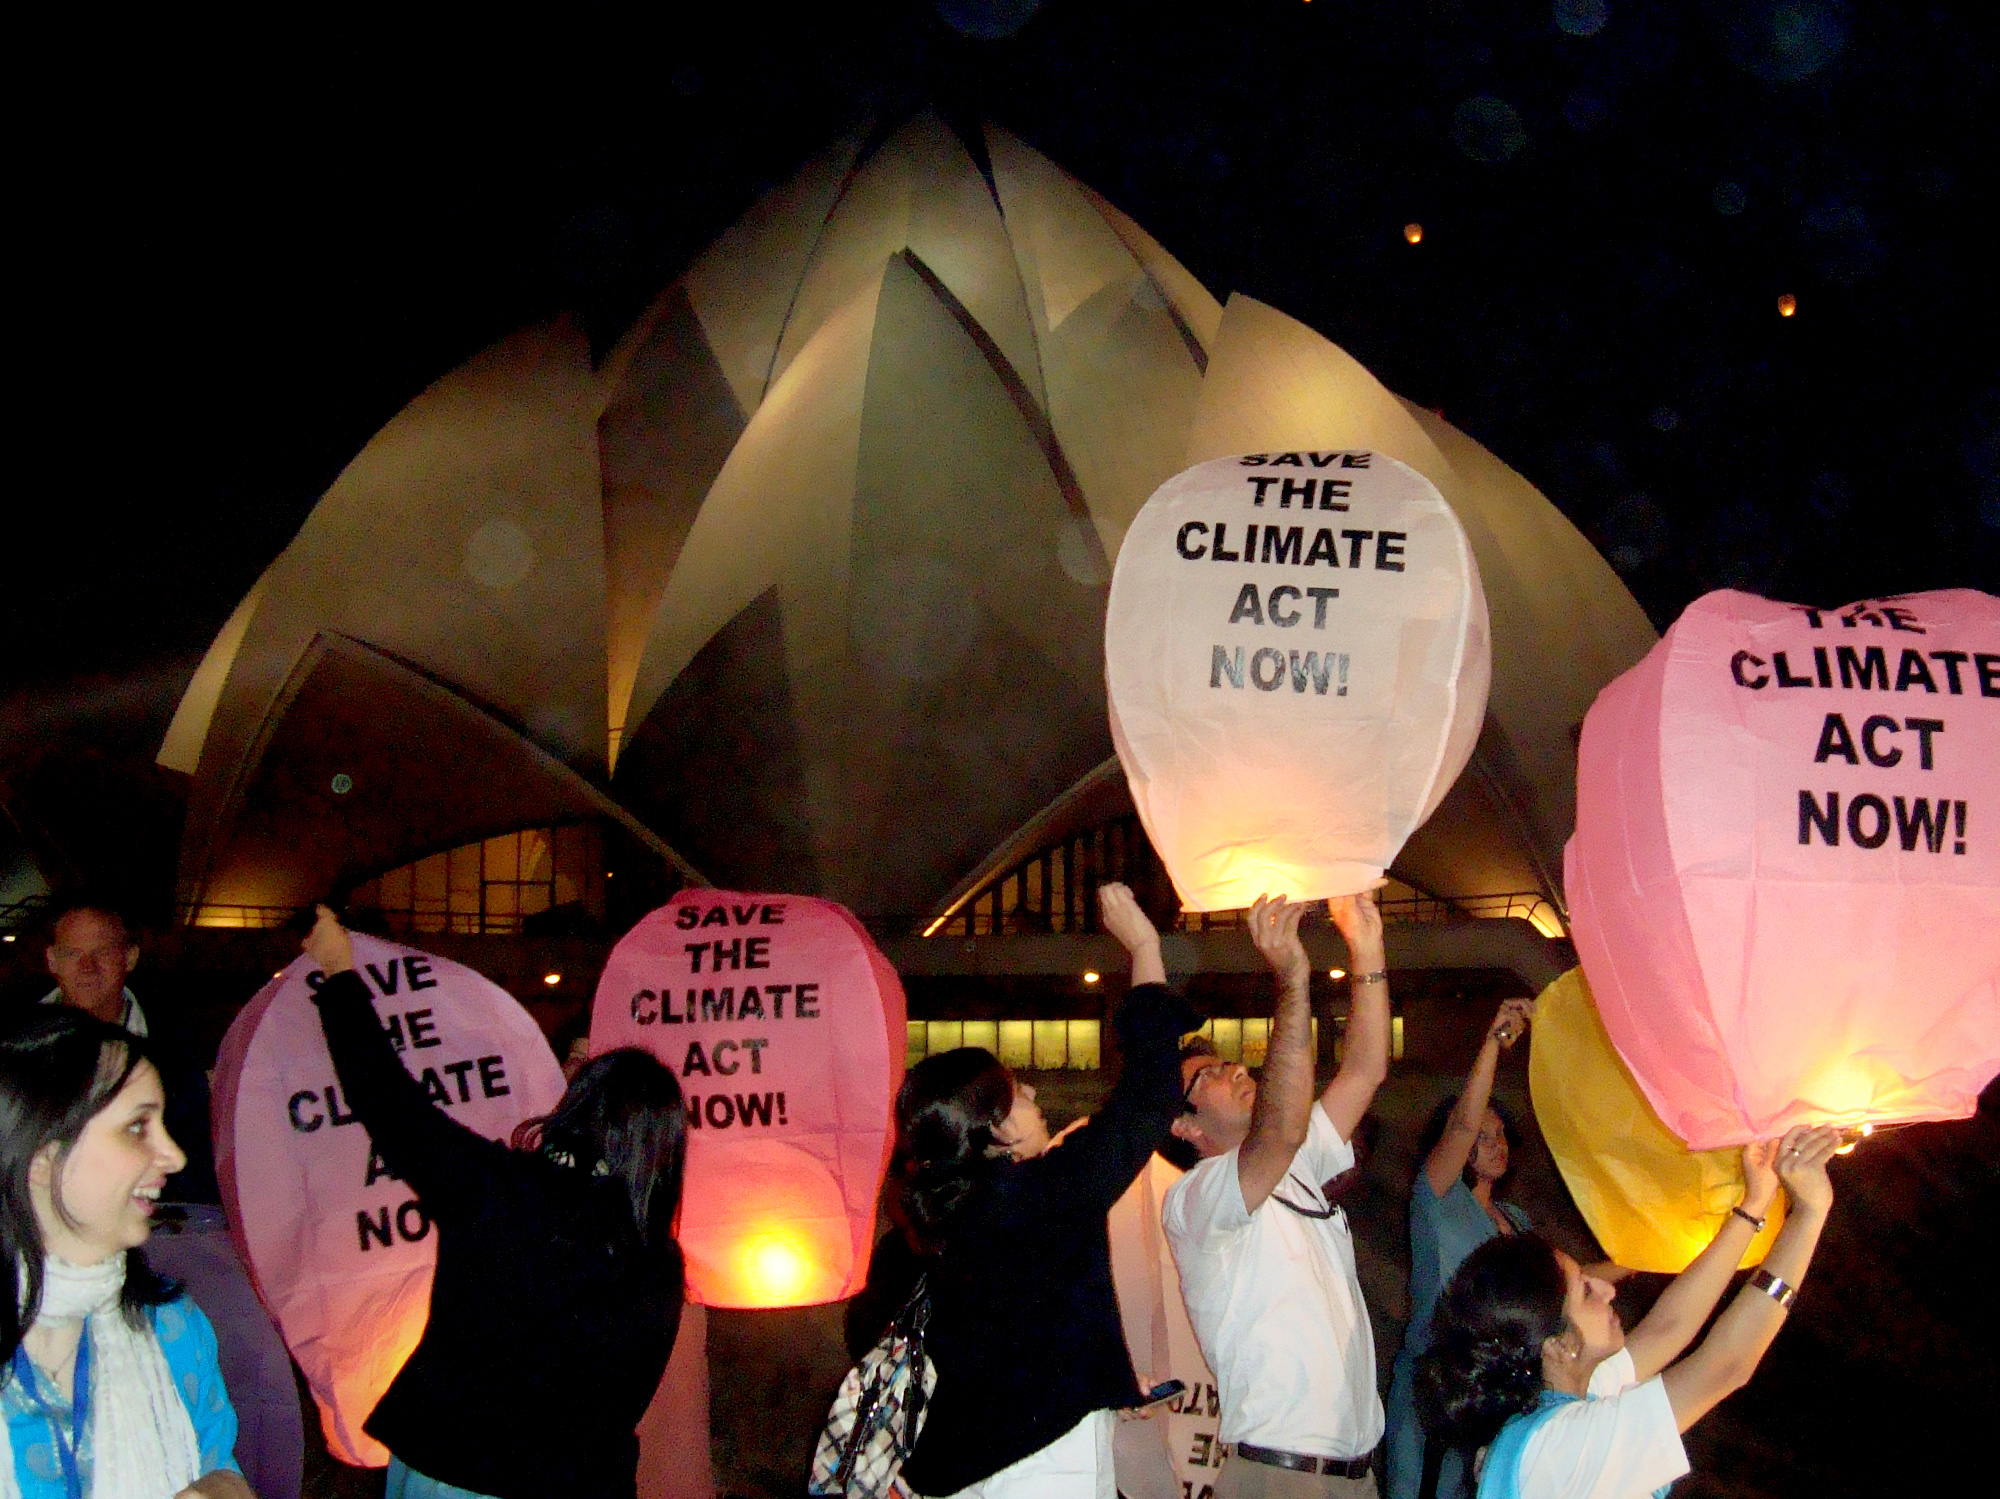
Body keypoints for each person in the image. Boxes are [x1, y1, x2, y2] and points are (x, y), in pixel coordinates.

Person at [301, 906, 687, 1499]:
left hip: (454, 1471)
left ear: (578, 1106)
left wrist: (341, 975)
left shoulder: (500, 1190)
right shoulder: (657, 1260)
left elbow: (389, 1101)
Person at [871, 882, 1198, 1499]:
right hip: (1036, 1465)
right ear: (990, 1130)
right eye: (1019, 1093)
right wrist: (1145, 948)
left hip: (980, 1458)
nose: (1037, 1098)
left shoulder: (954, 1216)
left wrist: (1102, 1386)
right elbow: (1149, 1098)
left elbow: (1026, 1338)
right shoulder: (1025, 1201)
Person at [1415, 1124, 1841, 1499]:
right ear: (1557, 1346)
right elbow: (1725, 1366)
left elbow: (1667, 1328)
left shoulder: (1555, 1409)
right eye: (1585, 1292)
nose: (1607, 1290)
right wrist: (1809, 1214)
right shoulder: (1560, 1448)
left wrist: (1756, 1202)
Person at [1164, 891, 1393, 1497]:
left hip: (1358, 1474)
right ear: (1183, 1126)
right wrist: (1293, 977)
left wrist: (1366, 947)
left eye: (1230, 1063)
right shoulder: (1195, 1200)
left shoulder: (1295, 1163)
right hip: (1280, 1476)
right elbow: (1283, 1129)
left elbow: (1365, 1071)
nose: (1235, 1070)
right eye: (1206, 1076)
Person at [1, 1006, 251, 1497]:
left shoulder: (169, 1322)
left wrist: (215, 1490)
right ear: (41, 1155)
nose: (174, 1156)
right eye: (138, 1127)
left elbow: (222, 1465)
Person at [1384, 999, 1534, 1499]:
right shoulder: (1437, 1195)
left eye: (1501, 1134)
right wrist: (1493, 1042)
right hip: (1433, 1389)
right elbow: (1463, 1124)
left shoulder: (1516, 1221)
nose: (1496, 1143)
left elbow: (1566, 1279)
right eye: (1482, 1135)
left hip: (1491, 1393)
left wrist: (1644, 1258)